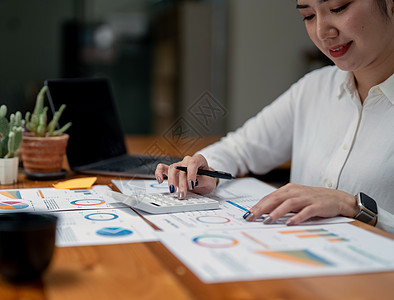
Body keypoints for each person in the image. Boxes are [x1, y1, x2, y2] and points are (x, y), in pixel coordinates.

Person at [155, 0, 394, 234]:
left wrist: (353, 207)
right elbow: (240, 149)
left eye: (338, 8)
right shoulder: (315, 88)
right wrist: (206, 172)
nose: (322, 32)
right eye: (308, 16)